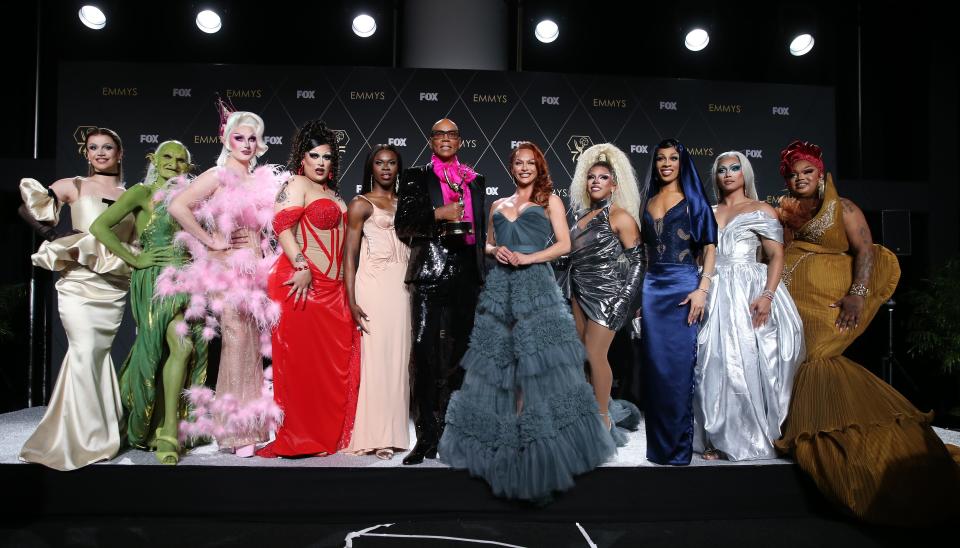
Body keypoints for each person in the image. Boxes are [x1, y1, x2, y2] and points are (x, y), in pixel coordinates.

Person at [774, 140, 960, 525]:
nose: (800, 179)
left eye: (807, 171)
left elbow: (865, 249)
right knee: (798, 363)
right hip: (790, 307)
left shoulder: (843, 207)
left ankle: (840, 439)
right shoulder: (784, 211)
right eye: (793, 174)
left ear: (820, 172)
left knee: (820, 360)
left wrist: (856, 294)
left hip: (829, 303)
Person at [440, 142, 615, 500]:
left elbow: (564, 244)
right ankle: (509, 433)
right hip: (501, 288)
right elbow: (486, 244)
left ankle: (535, 436)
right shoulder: (497, 205)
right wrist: (496, 250)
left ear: (539, 168)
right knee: (502, 363)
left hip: (536, 287)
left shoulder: (550, 200)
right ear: (511, 168)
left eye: (530, 163)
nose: (524, 168)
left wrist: (530, 257)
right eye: (518, 163)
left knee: (537, 364)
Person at [163, 108, 281, 459]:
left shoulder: (260, 180)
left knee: (253, 348)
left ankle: (254, 427)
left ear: (259, 144)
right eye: (239, 137)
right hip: (227, 268)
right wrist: (209, 240)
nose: (246, 144)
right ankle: (235, 432)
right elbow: (178, 205)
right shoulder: (218, 175)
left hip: (257, 268)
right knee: (236, 343)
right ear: (226, 139)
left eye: (252, 138)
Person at [18, 128, 133, 470]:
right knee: (84, 351)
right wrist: (53, 235)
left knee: (97, 355)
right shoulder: (74, 185)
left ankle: (101, 430)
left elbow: (138, 238)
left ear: (120, 153)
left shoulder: (131, 194)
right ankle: (84, 439)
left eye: (107, 147)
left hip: (113, 285)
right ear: (86, 154)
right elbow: (27, 207)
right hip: (78, 283)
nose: (100, 153)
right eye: (93, 147)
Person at [89, 140, 208, 465]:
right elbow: (99, 226)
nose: (173, 163)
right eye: (167, 157)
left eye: (180, 160)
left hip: (187, 277)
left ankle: (168, 426)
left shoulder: (191, 196)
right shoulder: (141, 193)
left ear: (188, 166)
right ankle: (168, 431)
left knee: (184, 348)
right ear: (153, 159)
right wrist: (134, 259)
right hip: (154, 278)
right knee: (173, 347)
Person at [256, 119, 360, 458]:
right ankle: (301, 437)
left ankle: (324, 436)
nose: (320, 162)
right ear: (301, 158)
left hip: (334, 290)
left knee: (328, 368)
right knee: (300, 367)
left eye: (327, 157)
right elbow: (283, 225)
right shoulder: (296, 182)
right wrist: (300, 265)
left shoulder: (333, 193)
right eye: (313, 155)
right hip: (303, 284)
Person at [693, 151, 803, 461]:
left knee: (745, 363)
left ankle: (747, 436)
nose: (728, 174)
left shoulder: (761, 210)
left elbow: (776, 256)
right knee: (710, 363)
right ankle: (713, 437)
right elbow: (700, 258)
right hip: (713, 288)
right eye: (722, 170)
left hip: (748, 289)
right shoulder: (707, 211)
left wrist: (767, 296)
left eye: (734, 168)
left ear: (745, 174)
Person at [395, 118, 487, 465]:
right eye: (439, 135)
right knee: (424, 354)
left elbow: (480, 231)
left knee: (459, 357)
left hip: (466, 274)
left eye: (452, 135)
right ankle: (426, 437)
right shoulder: (416, 177)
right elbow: (403, 225)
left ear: (460, 141)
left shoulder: (476, 181)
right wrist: (439, 213)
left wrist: (481, 272)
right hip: (429, 272)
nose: (445, 139)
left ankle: (453, 433)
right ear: (431, 140)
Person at [640, 138, 718, 466]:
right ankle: (658, 449)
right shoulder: (648, 200)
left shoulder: (693, 201)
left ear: (681, 162)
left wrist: (702, 289)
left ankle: (677, 451)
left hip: (684, 286)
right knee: (655, 370)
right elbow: (644, 251)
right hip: (652, 288)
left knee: (679, 369)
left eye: (673, 158)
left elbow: (710, 247)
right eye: (661, 158)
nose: (667, 163)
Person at [561, 143, 644, 441]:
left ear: (614, 185)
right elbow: (574, 256)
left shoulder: (620, 216)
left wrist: (623, 300)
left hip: (607, 295)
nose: (596, 181)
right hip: (578, 294)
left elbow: (638, 262)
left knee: (596, 355)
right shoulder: (580, 218)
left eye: (603, 177)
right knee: (582, 357)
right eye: (591, 177)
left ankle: (602, 422)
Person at [343, 145, 411, 460]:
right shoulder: (360, 204)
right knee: (376, 361)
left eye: (392, 163)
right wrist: (351, 298)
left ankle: (395, 433)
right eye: (379, 163)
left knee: (399, 360)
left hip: (402, 287)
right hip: (373, 285)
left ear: (399, 168)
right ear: (371, 168)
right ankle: (376, 435)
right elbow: (349, 256)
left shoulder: (407, 204)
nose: (385, 168)